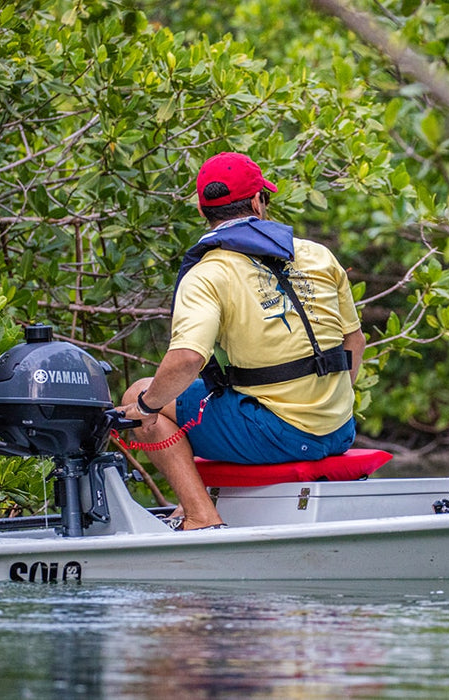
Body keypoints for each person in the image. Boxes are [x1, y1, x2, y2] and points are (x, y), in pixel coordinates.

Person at [115, 152, 366, 531]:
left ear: (204, 212)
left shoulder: (209, 273)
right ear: (256, 202)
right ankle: (198, 507)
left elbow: (185, 360)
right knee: (202, 396)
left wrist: (146, 408)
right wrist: (327, 408)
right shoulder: (318, 255)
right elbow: (355, 342)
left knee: (139, 394)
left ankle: (199, 515)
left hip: (279, 434)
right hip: (341, 428)